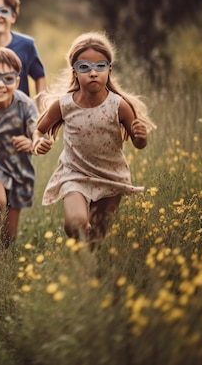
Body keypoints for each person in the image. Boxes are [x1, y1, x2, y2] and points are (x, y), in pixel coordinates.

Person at [32, 32, 155, 249]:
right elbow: (39, 130)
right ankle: (82, 256)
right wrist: (37, 143)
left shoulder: (119, 106)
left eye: (100, 66)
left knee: (96, 237)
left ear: (109, 70)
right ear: (75, 72)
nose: (93, 72)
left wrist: (141, 137)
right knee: (76, 225)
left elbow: (138, 143)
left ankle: (88, 270)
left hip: (111, 176)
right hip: (74, 174)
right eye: (84, 67)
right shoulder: (64, 105)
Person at [0, 47, 38, 248]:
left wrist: (30, 142)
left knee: (9, 237)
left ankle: (0, 258)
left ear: (17, 82)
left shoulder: (25, 105)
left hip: (21, 171)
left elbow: (36, 132)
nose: (0, 84)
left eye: (8, 78)